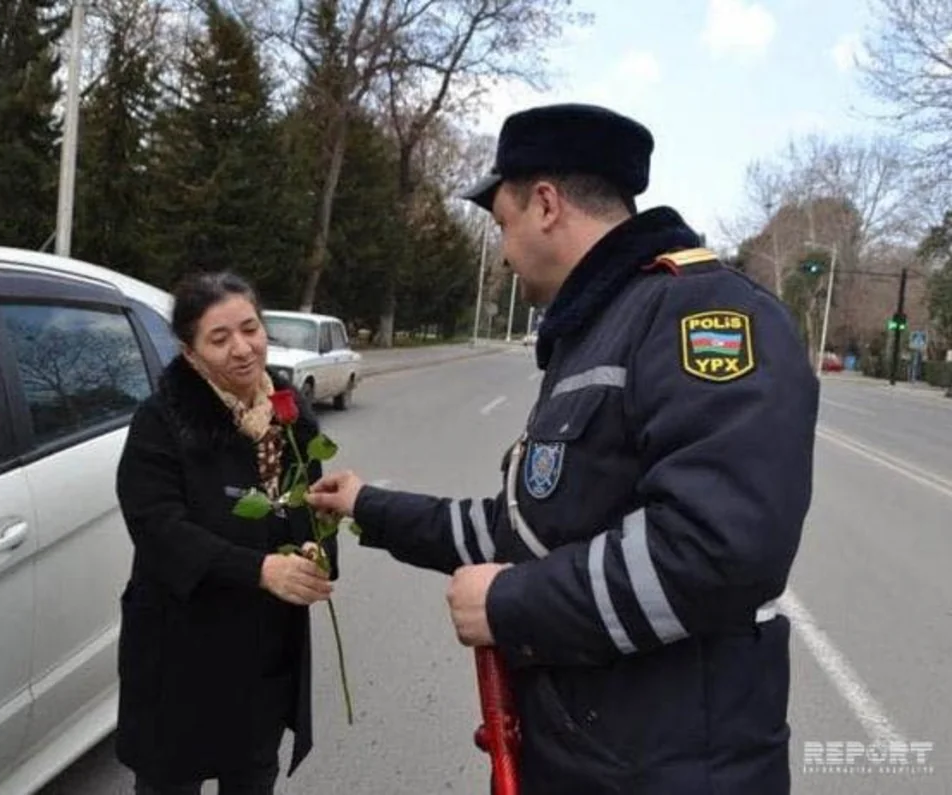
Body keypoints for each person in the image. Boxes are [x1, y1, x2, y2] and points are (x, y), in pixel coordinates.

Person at [308, 104, 819, 794]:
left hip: (667, 770)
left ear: (545, 204)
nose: (505, 249)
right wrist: (368, 506)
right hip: (585, 752)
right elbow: (526, 526)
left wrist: (510, 604)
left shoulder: (702, 315)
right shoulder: (600, 326)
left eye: (502, 224)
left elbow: (717, 547)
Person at [115, 271, 337, 795]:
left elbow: (316, 503)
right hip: (181, 649)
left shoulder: (289, 413)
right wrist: (259, 569)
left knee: (252, 774)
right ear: (190, 353)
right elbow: (157, 527)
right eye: (220, 338)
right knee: (170, 778)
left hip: (261, 652)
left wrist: (316, 550)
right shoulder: (162, 421)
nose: (243, 349)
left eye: (250, 328)